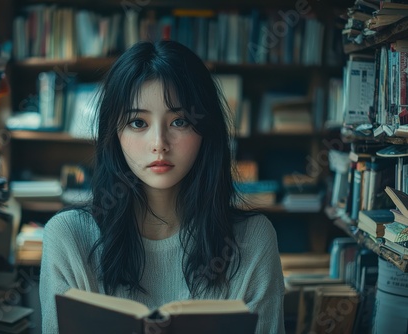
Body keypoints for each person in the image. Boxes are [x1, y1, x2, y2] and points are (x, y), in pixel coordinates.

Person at [39, 40, 285, 334]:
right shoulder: (69, 239)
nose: (159, 144)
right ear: (113, 134)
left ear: (206, 131)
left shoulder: (253, 241)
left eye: (179, 121)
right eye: (138, 123)